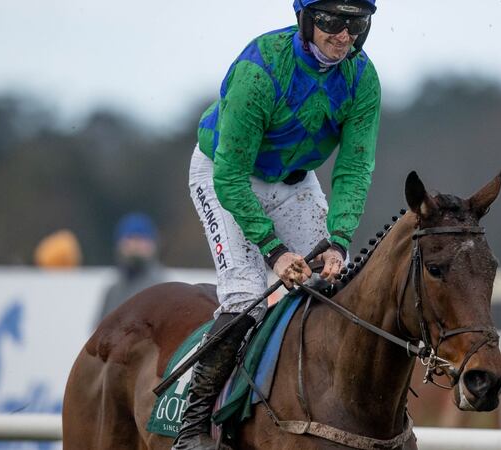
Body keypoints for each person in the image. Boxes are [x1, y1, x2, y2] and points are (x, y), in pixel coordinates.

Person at [177, 0, 380, 448]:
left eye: (356, 22)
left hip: (294, 181)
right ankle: (194, 427)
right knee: (247, 295)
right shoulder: (261, 68)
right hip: (225, 174)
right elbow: (230, 176)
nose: (343, 35)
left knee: (332, 288)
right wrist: (274, 249)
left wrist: (339, 240)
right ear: (306, 19)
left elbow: (354, 168)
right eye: (331, 20)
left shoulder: (363, 78)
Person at [98, 212, 166, 323]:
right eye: (130, 238)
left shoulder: (163, 289)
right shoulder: (113, 292)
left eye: (141, 239)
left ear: (153, 244)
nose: (135, 245)